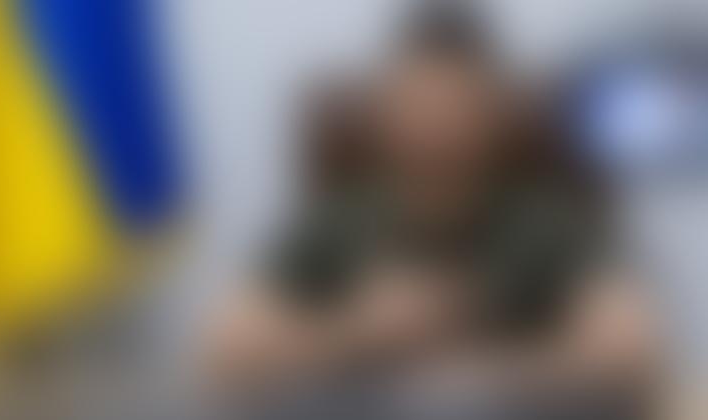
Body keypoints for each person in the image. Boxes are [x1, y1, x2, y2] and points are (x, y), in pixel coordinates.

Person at [207, 3, 657, 419]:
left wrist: (467, 351)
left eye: (456, 108)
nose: (437, 130)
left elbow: (629, 350)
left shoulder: (546, 220)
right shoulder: (339, 219)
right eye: (419, 107)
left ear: (493, 118)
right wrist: (353, 332)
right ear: (385, 116)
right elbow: (226, 352)